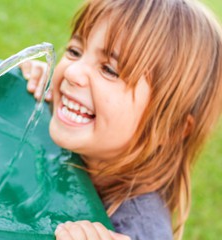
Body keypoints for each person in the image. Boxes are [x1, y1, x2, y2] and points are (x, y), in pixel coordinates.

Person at [20, 0, 222, 239]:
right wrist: (44, 87)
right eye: (75, 52)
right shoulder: (92, 143)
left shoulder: (138, 230)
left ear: (171, 129)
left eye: (109, 70)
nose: (72, 72)